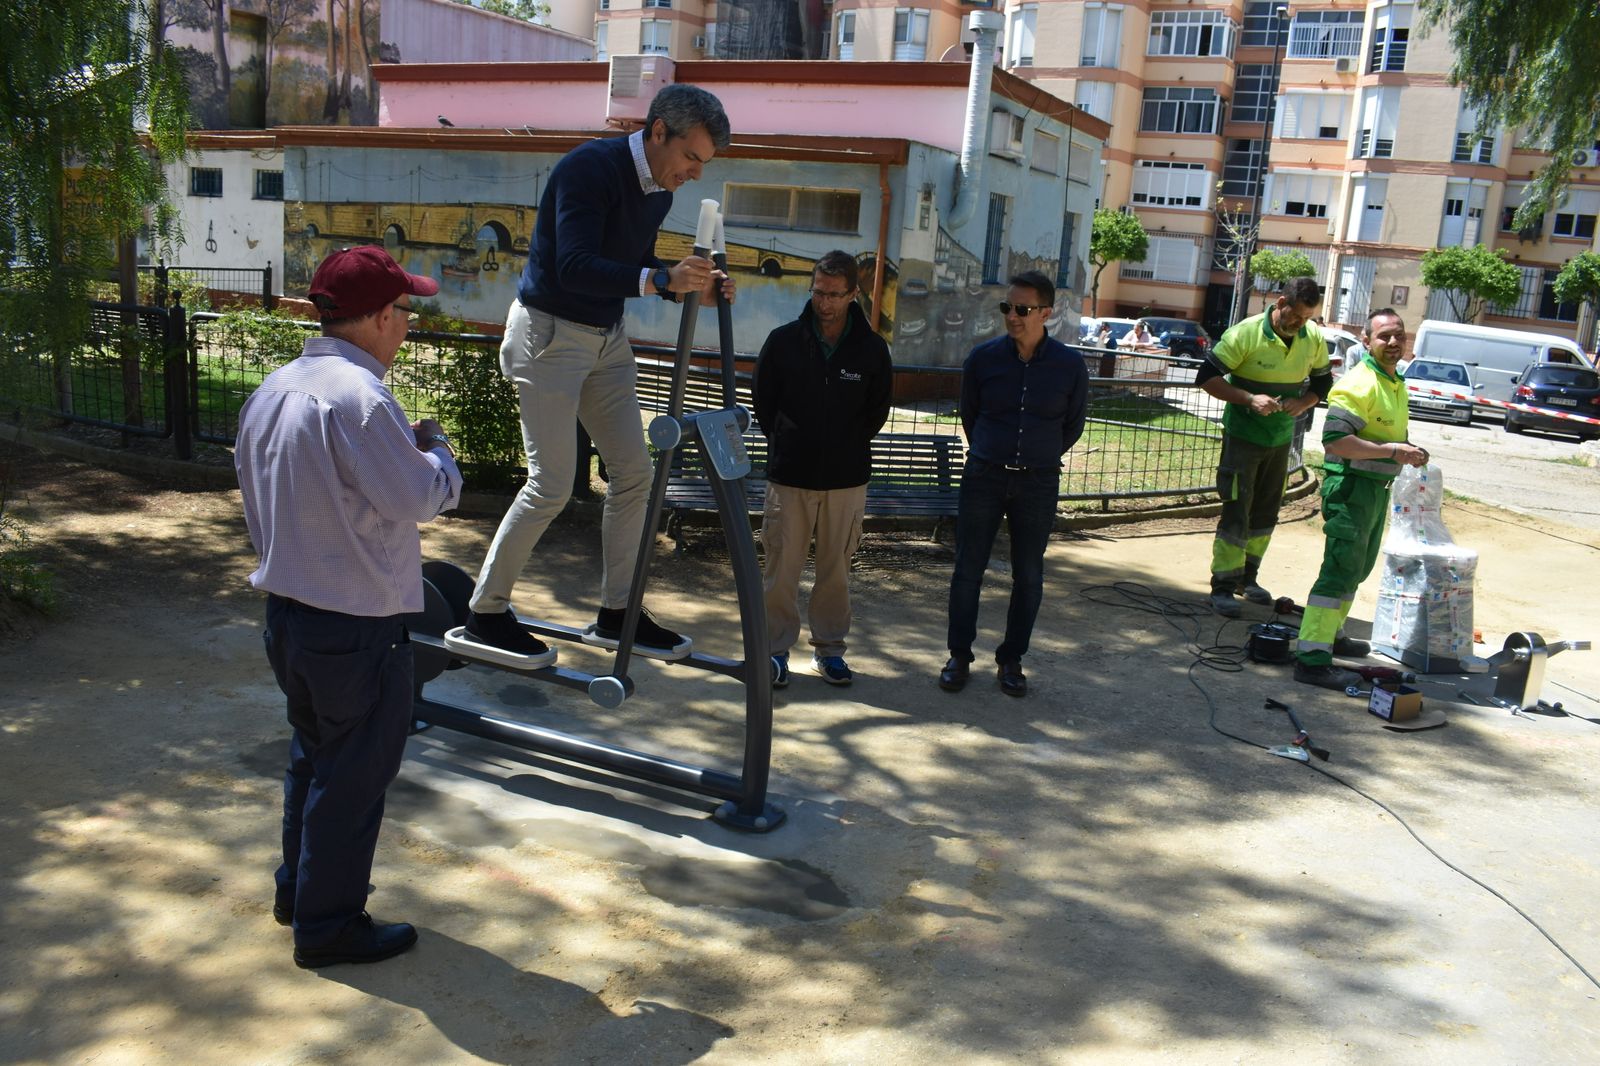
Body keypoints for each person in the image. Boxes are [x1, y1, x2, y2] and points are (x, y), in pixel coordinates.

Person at [448, 84, 735, 669]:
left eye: (704, 163)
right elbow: (575, 266)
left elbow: (623, 266)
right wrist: (660, 281)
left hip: (605, 338)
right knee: (551, 483)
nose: (695, 174)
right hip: (551, 332)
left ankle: (617, 611)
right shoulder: (590, 169)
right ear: (658, 132)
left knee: (634, 472)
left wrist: (689, 287)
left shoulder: (656, 187)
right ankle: (486, 612)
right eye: (692, 158)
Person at [235, 245, 463, 968]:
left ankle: (298, 893)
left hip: (291, 614)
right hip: (355, 623)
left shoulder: (276, 388)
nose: (405, 327)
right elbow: (417, 497)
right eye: (401, 312)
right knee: (353, 780)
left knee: (315, 760)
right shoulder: (360, 399)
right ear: (373, 318)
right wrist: (438, 450)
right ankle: (329, 925)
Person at [939, 271, 1088, 698]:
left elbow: (1072, 425)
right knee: (968, 569)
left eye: (1023, 309)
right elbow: (971, 416)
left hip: (1038, 483)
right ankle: (958, 656)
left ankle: (1011, 659)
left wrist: (1037, 455)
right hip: (984, 475)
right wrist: (995, 449)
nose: (1013, 317)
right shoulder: (983, 359)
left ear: (1047, 312)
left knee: (1029, 574)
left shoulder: (1068, 366)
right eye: (1008, 307)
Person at [752, 250, 893, 688]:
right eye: (818, 292)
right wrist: (790, 442)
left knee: (835, 572)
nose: (825, 302)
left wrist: (843, 446)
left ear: (853, 294)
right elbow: (764, 403)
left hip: (846, 480)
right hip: (789, 477)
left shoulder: (872, 349)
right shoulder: (783, 341)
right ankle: (774, 652)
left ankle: (829, 652)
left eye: (834, 294)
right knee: (780, 572)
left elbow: (877, 412)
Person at [1293, 308, 1429, 689]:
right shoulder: (1360, 382)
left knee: (1357, 569)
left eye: (1398, 335)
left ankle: (1331, 635)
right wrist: (1392, 451)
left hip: (1374, 490)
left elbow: (1385, 439)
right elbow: (1335, 440)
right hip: (1352, 487)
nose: (1392, 342)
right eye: (1383, 336)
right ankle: (1312, 659)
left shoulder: (1393, 382)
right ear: (1366, 341)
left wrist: (1403, 450)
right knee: (1339, 570)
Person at [1197, 276, 1332, 617]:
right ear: (1281, 303)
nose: (1301, 324)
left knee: (1266, 512)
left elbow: (1322, 382)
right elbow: (1206, 378)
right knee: (1237, 510)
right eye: (1297, 316)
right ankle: (1223, 586)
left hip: (1280, 439)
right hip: (1243, 437)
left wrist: (1305, 403)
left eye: (1307, 318)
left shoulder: (1311, 337)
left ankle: (1248, 578)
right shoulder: (1246, 333)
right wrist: (1248, 398)